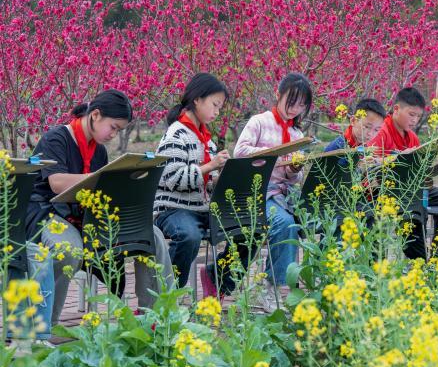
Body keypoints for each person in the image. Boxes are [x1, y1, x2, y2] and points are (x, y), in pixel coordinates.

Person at [26, 89, 173, 329]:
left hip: (86, 215)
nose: (114, 135)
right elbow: (56, 182)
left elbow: (100, 191)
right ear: (95, 115)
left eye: (119, 130)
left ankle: (157, 318)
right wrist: (100, 177)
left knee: (152, 235)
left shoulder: (99, 151)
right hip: (48, 213)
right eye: (113, 127)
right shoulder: (57, 138)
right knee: (70, 249)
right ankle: (42, 326)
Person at [203, 73, 312, 311]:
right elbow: (240, 153)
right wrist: (277, 153)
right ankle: (270, 289)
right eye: (291, 101)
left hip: (282, 195)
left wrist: (294, 168)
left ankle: (315, 284)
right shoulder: (259, 122)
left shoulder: (298, 135)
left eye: (302, 104)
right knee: (284, 224)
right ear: (278, 95)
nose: (296, 108)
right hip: (254, 193)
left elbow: (295, 179)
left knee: (311, 222)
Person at [153, 73, 230, 288]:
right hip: (172, 209)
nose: (217, 112)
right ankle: (166, 295)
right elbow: (172, 178)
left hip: (200, 209)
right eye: (214, 105)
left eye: (220, 108)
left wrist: (221, 176)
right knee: (188, 235)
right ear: (197, 99)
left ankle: (219, 280)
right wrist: (210, 166)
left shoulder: (206, 140)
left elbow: (207, 183)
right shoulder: (176, 134)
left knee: (247, 227)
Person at [367, 87, 438, 259]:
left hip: (412, 188)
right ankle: (419, 260)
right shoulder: (382, 131)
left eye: (418, 116)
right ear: (396, 109)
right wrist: (394, 160)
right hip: (388, 191)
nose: (415, 120)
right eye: (411, 114)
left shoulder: (412, 137)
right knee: (415, 205)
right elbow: (369, 164)